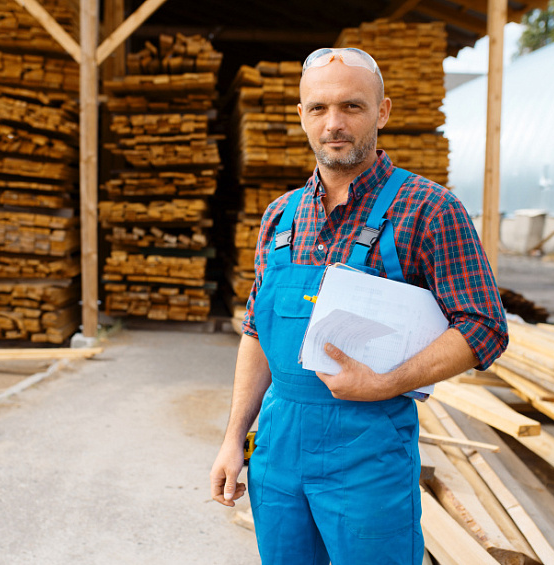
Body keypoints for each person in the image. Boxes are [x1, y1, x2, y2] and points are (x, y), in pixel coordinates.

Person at [210, 47, 508, 565]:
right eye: (319, 108)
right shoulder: (281, 217)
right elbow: (257, 330)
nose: (334, 124)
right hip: (277, 451)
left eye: (352, 106)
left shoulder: (429, 209)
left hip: (367, 456)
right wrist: (234, 438)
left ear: (383, 112)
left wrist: (387, 383)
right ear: (301, 116)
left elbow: (484, 325)